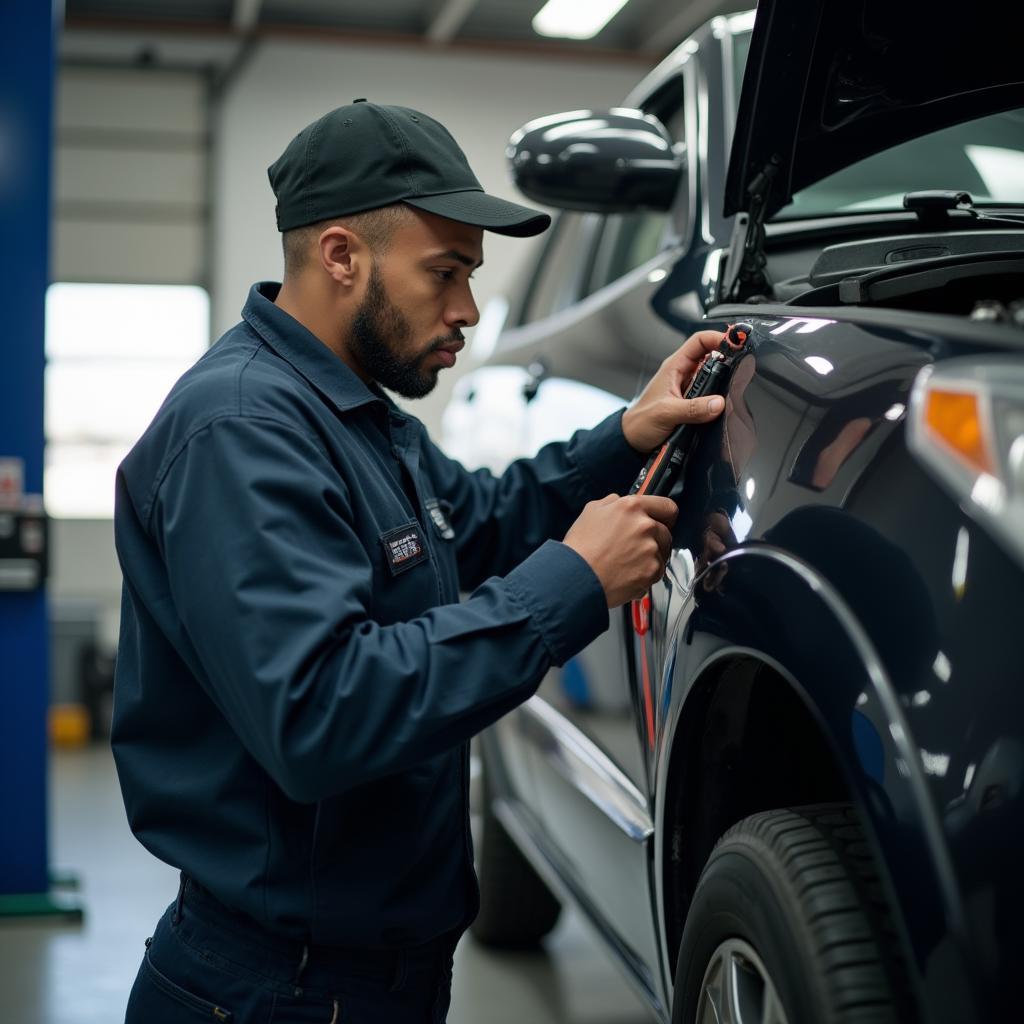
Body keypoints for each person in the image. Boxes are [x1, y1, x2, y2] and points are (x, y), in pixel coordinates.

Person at [112, 99, 725, 1024]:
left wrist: (621, 437)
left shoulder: (356, 412)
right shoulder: (240, 432)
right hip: (277, 991)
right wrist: (572, 583)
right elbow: (320, 712)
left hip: (367, 974)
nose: (469, 311)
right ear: (341, 255)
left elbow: (473, 523)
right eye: (445, 273)